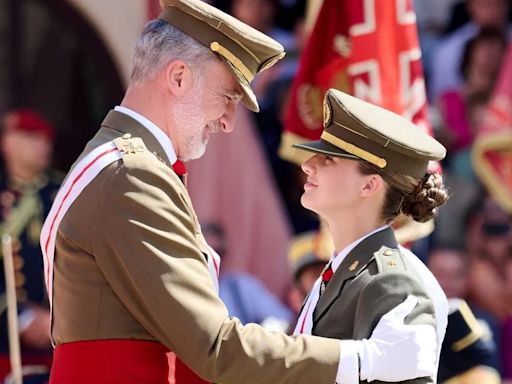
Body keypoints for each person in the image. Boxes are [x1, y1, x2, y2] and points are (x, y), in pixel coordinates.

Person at [40, 1, 440, 383]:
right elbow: (215, 346)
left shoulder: (122, 163)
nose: (229, 122)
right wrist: (365, 359)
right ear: (178, 77)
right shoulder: (133, 174)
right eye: (227, 97)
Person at [292, 89, 450, 383]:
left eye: (329, 160)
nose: (307, 164)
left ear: (369, 186)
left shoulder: (392, 281)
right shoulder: (345, 268)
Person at [0, 109, 60, 382]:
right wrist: (21, 318)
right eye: (32, 138)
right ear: (8, 142)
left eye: (46, 139)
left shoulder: (64, 192)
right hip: (5, 342)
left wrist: (57, 319)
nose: (43, 145)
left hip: (59, 337)